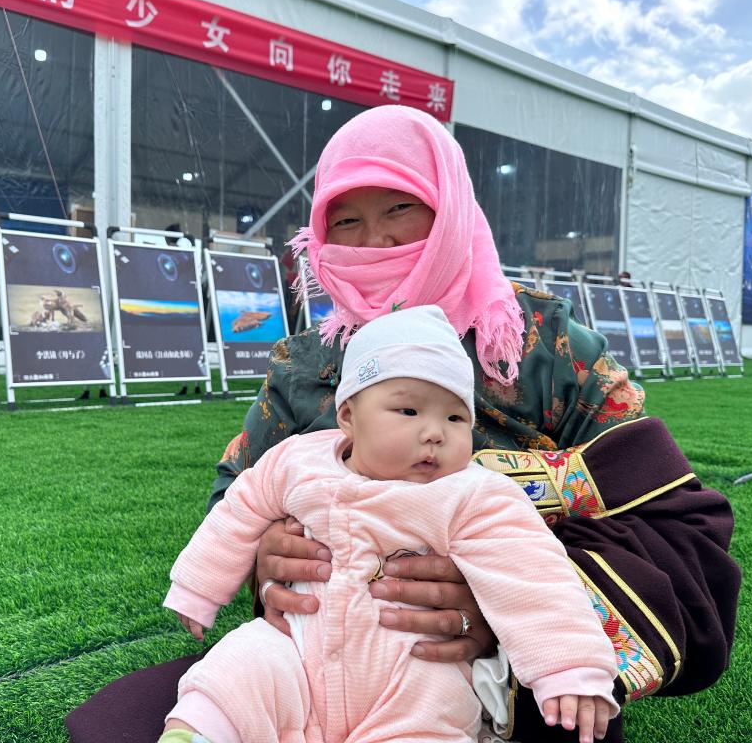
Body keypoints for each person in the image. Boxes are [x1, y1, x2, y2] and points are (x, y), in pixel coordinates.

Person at [66, 106, 740, 743]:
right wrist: (266, 559)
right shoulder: (304, 365)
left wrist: (501, 610)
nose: (375, 241)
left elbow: (673, 522)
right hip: (323, 654)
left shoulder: (546, 347)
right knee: (143, 719)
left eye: (400, 209)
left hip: (499, 690)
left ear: (451, 209)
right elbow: (235, 496)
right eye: (346, 221)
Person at [160, 305, 619, 743]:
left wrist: (570, 667)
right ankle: (198, 732)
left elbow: (532, 575)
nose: (435, 432)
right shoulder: (296, 461)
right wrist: (199, 587)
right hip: (298, 649)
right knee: (239, 664)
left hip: (410, 668)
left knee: (433, 708)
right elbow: (240, 510)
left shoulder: (475, 495)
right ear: (348, 417)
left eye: (455, 417)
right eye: (409, 411)